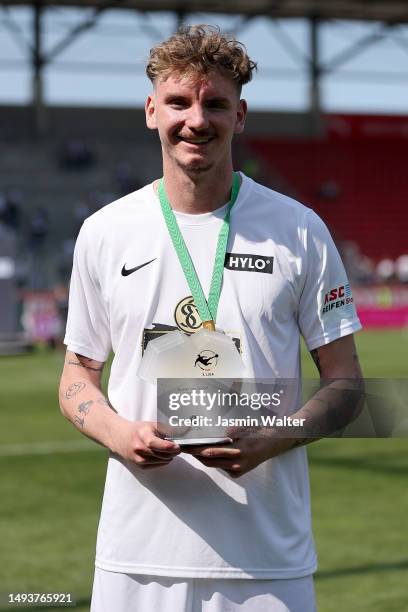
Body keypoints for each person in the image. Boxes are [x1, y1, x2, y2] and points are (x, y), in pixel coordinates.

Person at [59, 25, 363, 612]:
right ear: (152, 111)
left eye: (215, 103)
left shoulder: (300, 231)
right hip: (135, 559)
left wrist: (275, 438)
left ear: (240, 115)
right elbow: (76, 375)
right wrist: (120, 434)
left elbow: (347, 386)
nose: (196, 120)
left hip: (266, 563)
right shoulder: (104, 233)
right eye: (179, 102)